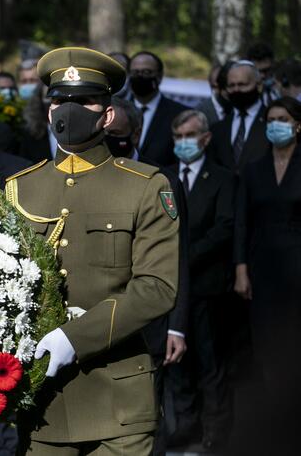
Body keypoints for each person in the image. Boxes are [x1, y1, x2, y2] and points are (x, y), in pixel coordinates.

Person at [9, 47, 179, 455]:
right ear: (49, 112)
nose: (68, 111)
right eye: (58, 101)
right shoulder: (19, 188)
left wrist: (74, 338)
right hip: (42, 401)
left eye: (83, 101)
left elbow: (156, 286)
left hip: (117, 403)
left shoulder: (145, 185)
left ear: (106, 115)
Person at [105, 98, 190, 456]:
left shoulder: (160, 180)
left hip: (148, 323)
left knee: (145, 421)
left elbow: (179, 258)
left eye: (119, 136)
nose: (111, 142)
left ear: (136, 133)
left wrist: (177, 326)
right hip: (100, 319)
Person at [233, 97, 301, 452]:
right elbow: (242, 220)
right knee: (266, 347)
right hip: (262, 268)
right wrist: (241, 268)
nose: (276, 124)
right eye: (271, 119)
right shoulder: (254, 168)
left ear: (297, 125)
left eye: (284, 119)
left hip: (297, 268)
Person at [165, 110, 235, 451]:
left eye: (189, 136)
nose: (183, 143)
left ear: (205, 138)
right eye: (177, 137)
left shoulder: (222, 177)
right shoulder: (163, 177)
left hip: (207, 285)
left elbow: (224, 226)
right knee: (178, 363)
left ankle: (215, 430)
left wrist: (184, 256)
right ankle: (186, 425)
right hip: (174, 289)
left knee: (210, 362)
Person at [129, 51, 189, 166]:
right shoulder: (117, 111)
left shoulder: (180, 114)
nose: (140, 76)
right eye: (135, 72)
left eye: (146, 72)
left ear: (159, 76)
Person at [208, 61, 268, 173]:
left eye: (242, 84)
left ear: (259, 85)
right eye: (231, 85)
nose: (236, 90)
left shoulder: (272, 123)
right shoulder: (218, 129)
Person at [245, 42, 279, 106]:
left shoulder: (281, 90)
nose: (262, 75)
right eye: (257, 71)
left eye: (266, 70)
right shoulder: (241, 94)